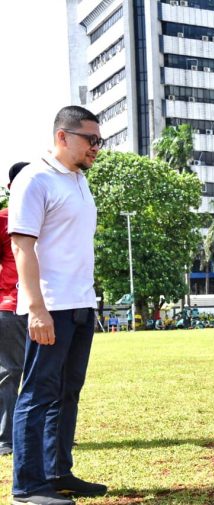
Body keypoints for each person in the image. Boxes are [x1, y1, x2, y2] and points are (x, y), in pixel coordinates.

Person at [8, 106, 107, 505]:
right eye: (91, 140)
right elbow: (22, 246)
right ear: (63, 137)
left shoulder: (79, 180)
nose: (96, 148)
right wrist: (36, 308)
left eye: (100, 141)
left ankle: (57, 472)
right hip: (50, 305)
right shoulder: (35, 178)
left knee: (68, 391)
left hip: (81, 302)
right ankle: (27, 486)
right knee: (36, 393)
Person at [0, 162, 29, 458]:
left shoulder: (50, 220)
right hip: (10, 306)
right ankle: (5, 439)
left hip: (49, 306)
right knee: (9, 373)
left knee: (48, 373)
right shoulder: (3, 220)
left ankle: (49, 436)